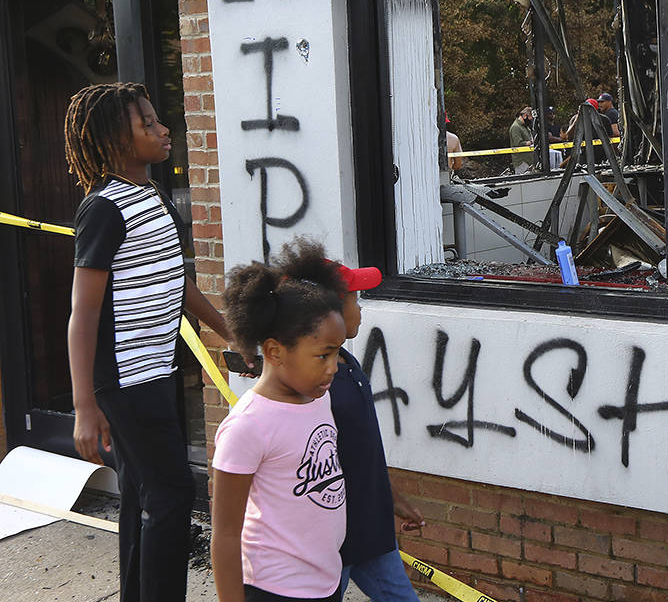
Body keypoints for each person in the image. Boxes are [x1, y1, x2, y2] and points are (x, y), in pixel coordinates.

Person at [64, 81, 237, 602]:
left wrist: (233, 332)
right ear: (118, 138)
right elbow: (83, 312)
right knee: (171, 495)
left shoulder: (152, 197)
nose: (164, 131)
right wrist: (83, 407)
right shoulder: (103, 209)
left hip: (157, 371)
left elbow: (178, 284)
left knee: (143, 492)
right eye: (149, 124)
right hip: (122, 381)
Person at [273, 238, 426, 602]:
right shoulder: (314, 388)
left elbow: (361, 452)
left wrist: (393, 500)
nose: (362, 310)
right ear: (330, 314)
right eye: (357, 300)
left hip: (371, 532)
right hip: (331, 544)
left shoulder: (347, 364)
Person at [211, 262, 348, 602]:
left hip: (324, 581)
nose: (333, 367)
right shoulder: (248, 426)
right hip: (273, 589)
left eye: (337, 354)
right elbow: (225, 534)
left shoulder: (320, 399)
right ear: (274, 351)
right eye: (323, 356)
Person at [508, 105, 535, 173]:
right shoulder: (515, 127)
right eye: (530, 118)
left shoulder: (525, 126)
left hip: (529, 161)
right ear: (525, 116)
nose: (530, 121)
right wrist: (529, 142)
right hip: (521, 163)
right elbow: (518, 143)